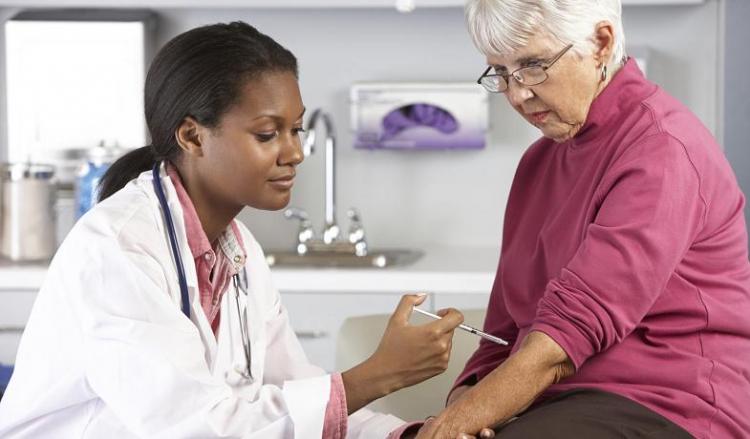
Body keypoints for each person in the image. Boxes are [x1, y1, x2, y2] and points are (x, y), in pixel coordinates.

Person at [0, 21, 464, 438]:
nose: (294, 153)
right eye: (267, 134)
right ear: (192, 135)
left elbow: (287, 388)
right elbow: (192, 426)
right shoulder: (118, 249)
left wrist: (404, 435)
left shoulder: (238, 250)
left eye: (296, 130)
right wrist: (378, 375)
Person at [415, 1, 750, 438]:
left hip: (667, 405)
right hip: (557, 403)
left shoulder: (661, 148)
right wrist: (466, 405)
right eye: (501, 72)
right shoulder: (538, 162)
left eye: (534, 66)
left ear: (601, 43)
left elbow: (568, 335)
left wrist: (457, 424)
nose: (518, 94)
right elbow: (501, 330)